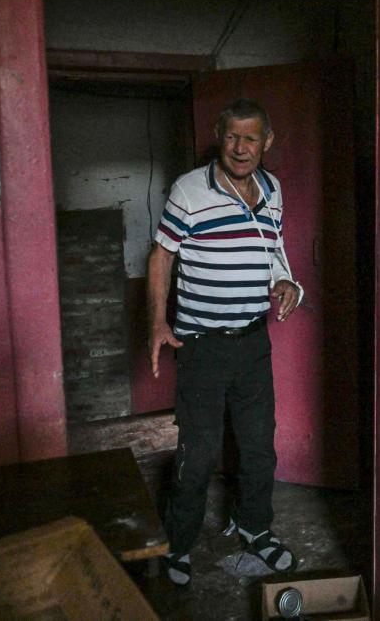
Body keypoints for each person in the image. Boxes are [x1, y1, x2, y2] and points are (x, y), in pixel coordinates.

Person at [147, 99, 304, 586]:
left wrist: (289, 283)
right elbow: (161, 256)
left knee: (259, 446)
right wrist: (156, 322)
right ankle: (179, 543)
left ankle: (255, 527)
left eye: (251, 138)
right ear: (220, 136)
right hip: (203, 348)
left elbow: (272, 249)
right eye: (232, 136)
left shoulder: (272, 189)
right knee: (199, 452)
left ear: (267, 142)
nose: (240, 148)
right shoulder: (189, 190)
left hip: (253, 344)